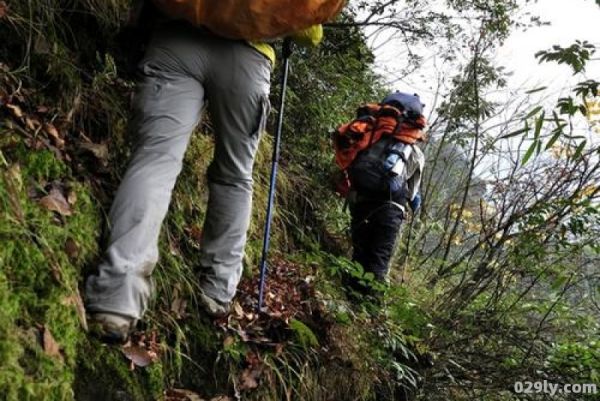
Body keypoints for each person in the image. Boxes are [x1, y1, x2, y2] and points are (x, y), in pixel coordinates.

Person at [85, 1, 328, 342]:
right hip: (247, 61)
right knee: (235, 176)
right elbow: (310, 28)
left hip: (177, 39)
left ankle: (115, 301)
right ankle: (217, 290)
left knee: (155, 159)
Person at [335, 92, 426, 288]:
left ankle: (348, 295)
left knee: (360, 253)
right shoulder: (414, 153)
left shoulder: (369, 137)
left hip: (361, 201)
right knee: (379, 260)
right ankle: (368, 310)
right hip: (390, 209)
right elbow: (411, 193)